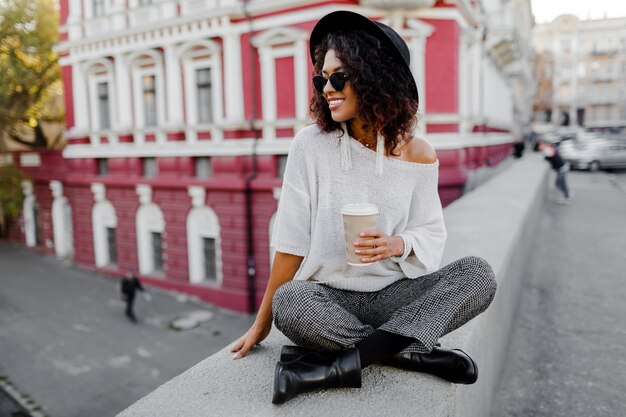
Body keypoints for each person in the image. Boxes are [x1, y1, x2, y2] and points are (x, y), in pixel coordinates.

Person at [230, 10, 497, 404]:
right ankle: (410, 352)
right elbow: (290, 241)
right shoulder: (310, 145)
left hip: (393, 294)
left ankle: (335, 366)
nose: (327, 88)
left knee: (478, 275)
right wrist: (262, 323)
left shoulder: (419, 154)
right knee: (291, 301)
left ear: (375, 78)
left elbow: (430, 231)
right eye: (322, 78)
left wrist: (395, 245)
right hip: (329, 299)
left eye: (339, 77)